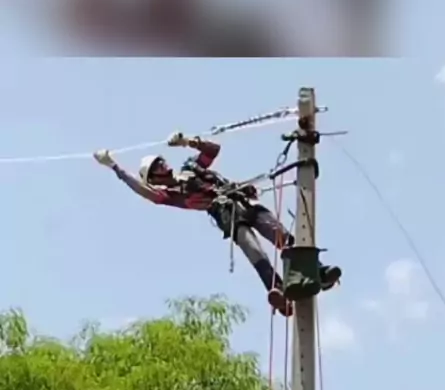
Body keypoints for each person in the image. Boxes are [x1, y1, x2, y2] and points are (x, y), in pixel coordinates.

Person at [93, 132, 341, 315]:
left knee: (283, 237)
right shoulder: (170, 195)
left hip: (245, 202)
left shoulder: (191, 168)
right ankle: (279, 292)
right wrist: (114, 166)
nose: (162, 165)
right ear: (154, 179)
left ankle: (318, 272)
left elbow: (212, 150)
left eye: (161, 161)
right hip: (228, 216)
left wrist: (187, 141)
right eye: (156, 167)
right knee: (255, 253)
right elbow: (143, 192)